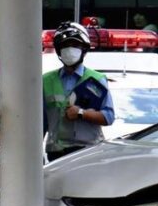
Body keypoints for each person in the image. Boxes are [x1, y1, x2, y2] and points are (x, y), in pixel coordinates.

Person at [43, 21, 114, 161]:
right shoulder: (46, 81)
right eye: (65, 45)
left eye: (75, 45)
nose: (70, 50)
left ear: (84, 49)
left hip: (87, 152)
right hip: (55, 153)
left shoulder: (97, 79)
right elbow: (40, 122)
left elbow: (109, 117)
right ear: (58, 50)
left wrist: (81, 113)